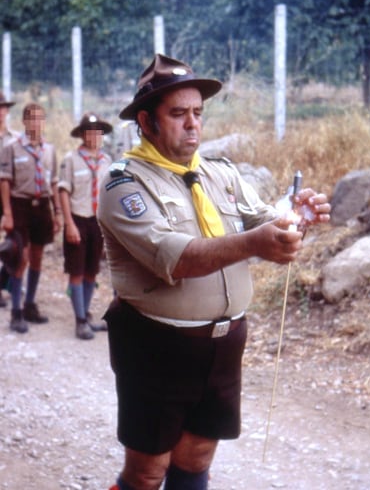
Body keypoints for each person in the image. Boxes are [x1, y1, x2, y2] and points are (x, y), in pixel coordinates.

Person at [97, 54, 331, 490]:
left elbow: (260, 218)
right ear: (146, 122)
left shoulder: (220, 173)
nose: (192, 124)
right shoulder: (123, 184)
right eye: (178, 114)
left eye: (198, 113)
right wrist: (255, 243)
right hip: (156, 345)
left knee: (197, 456)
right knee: (148, 471)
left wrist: (291, 218)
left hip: (222, 345)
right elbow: (176, 258)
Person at [0, 102, 62, 333]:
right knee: (20, 258)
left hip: (42, 205)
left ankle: (29, 305)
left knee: (37, 257)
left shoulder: (50, 150)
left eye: (40, 118)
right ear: (24, 121)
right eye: (31, 118)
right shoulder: (11, 147)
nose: (36, 123)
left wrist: (57, 212)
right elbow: (4, 181)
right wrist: (7, 213)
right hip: (20, 205)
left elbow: (54, 182)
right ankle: (15, 310)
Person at [58, 112, 113, 340]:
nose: (93, 135)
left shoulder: (107, 161)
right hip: (78, 219)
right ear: (81, 134)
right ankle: (80, 321)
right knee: (77, 272)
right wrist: (68, 223)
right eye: (88, 131)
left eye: (97, 131)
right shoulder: (71, 159)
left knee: (92, 271)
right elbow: (63, 191)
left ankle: (87, 314)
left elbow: (109, 193)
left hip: (97, 222)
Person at [0, 92, 19, 308]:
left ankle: (4, 282)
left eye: (3, 107)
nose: (0, 112)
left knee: (15, 243)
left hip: (9, 195)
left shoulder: (15, 139)